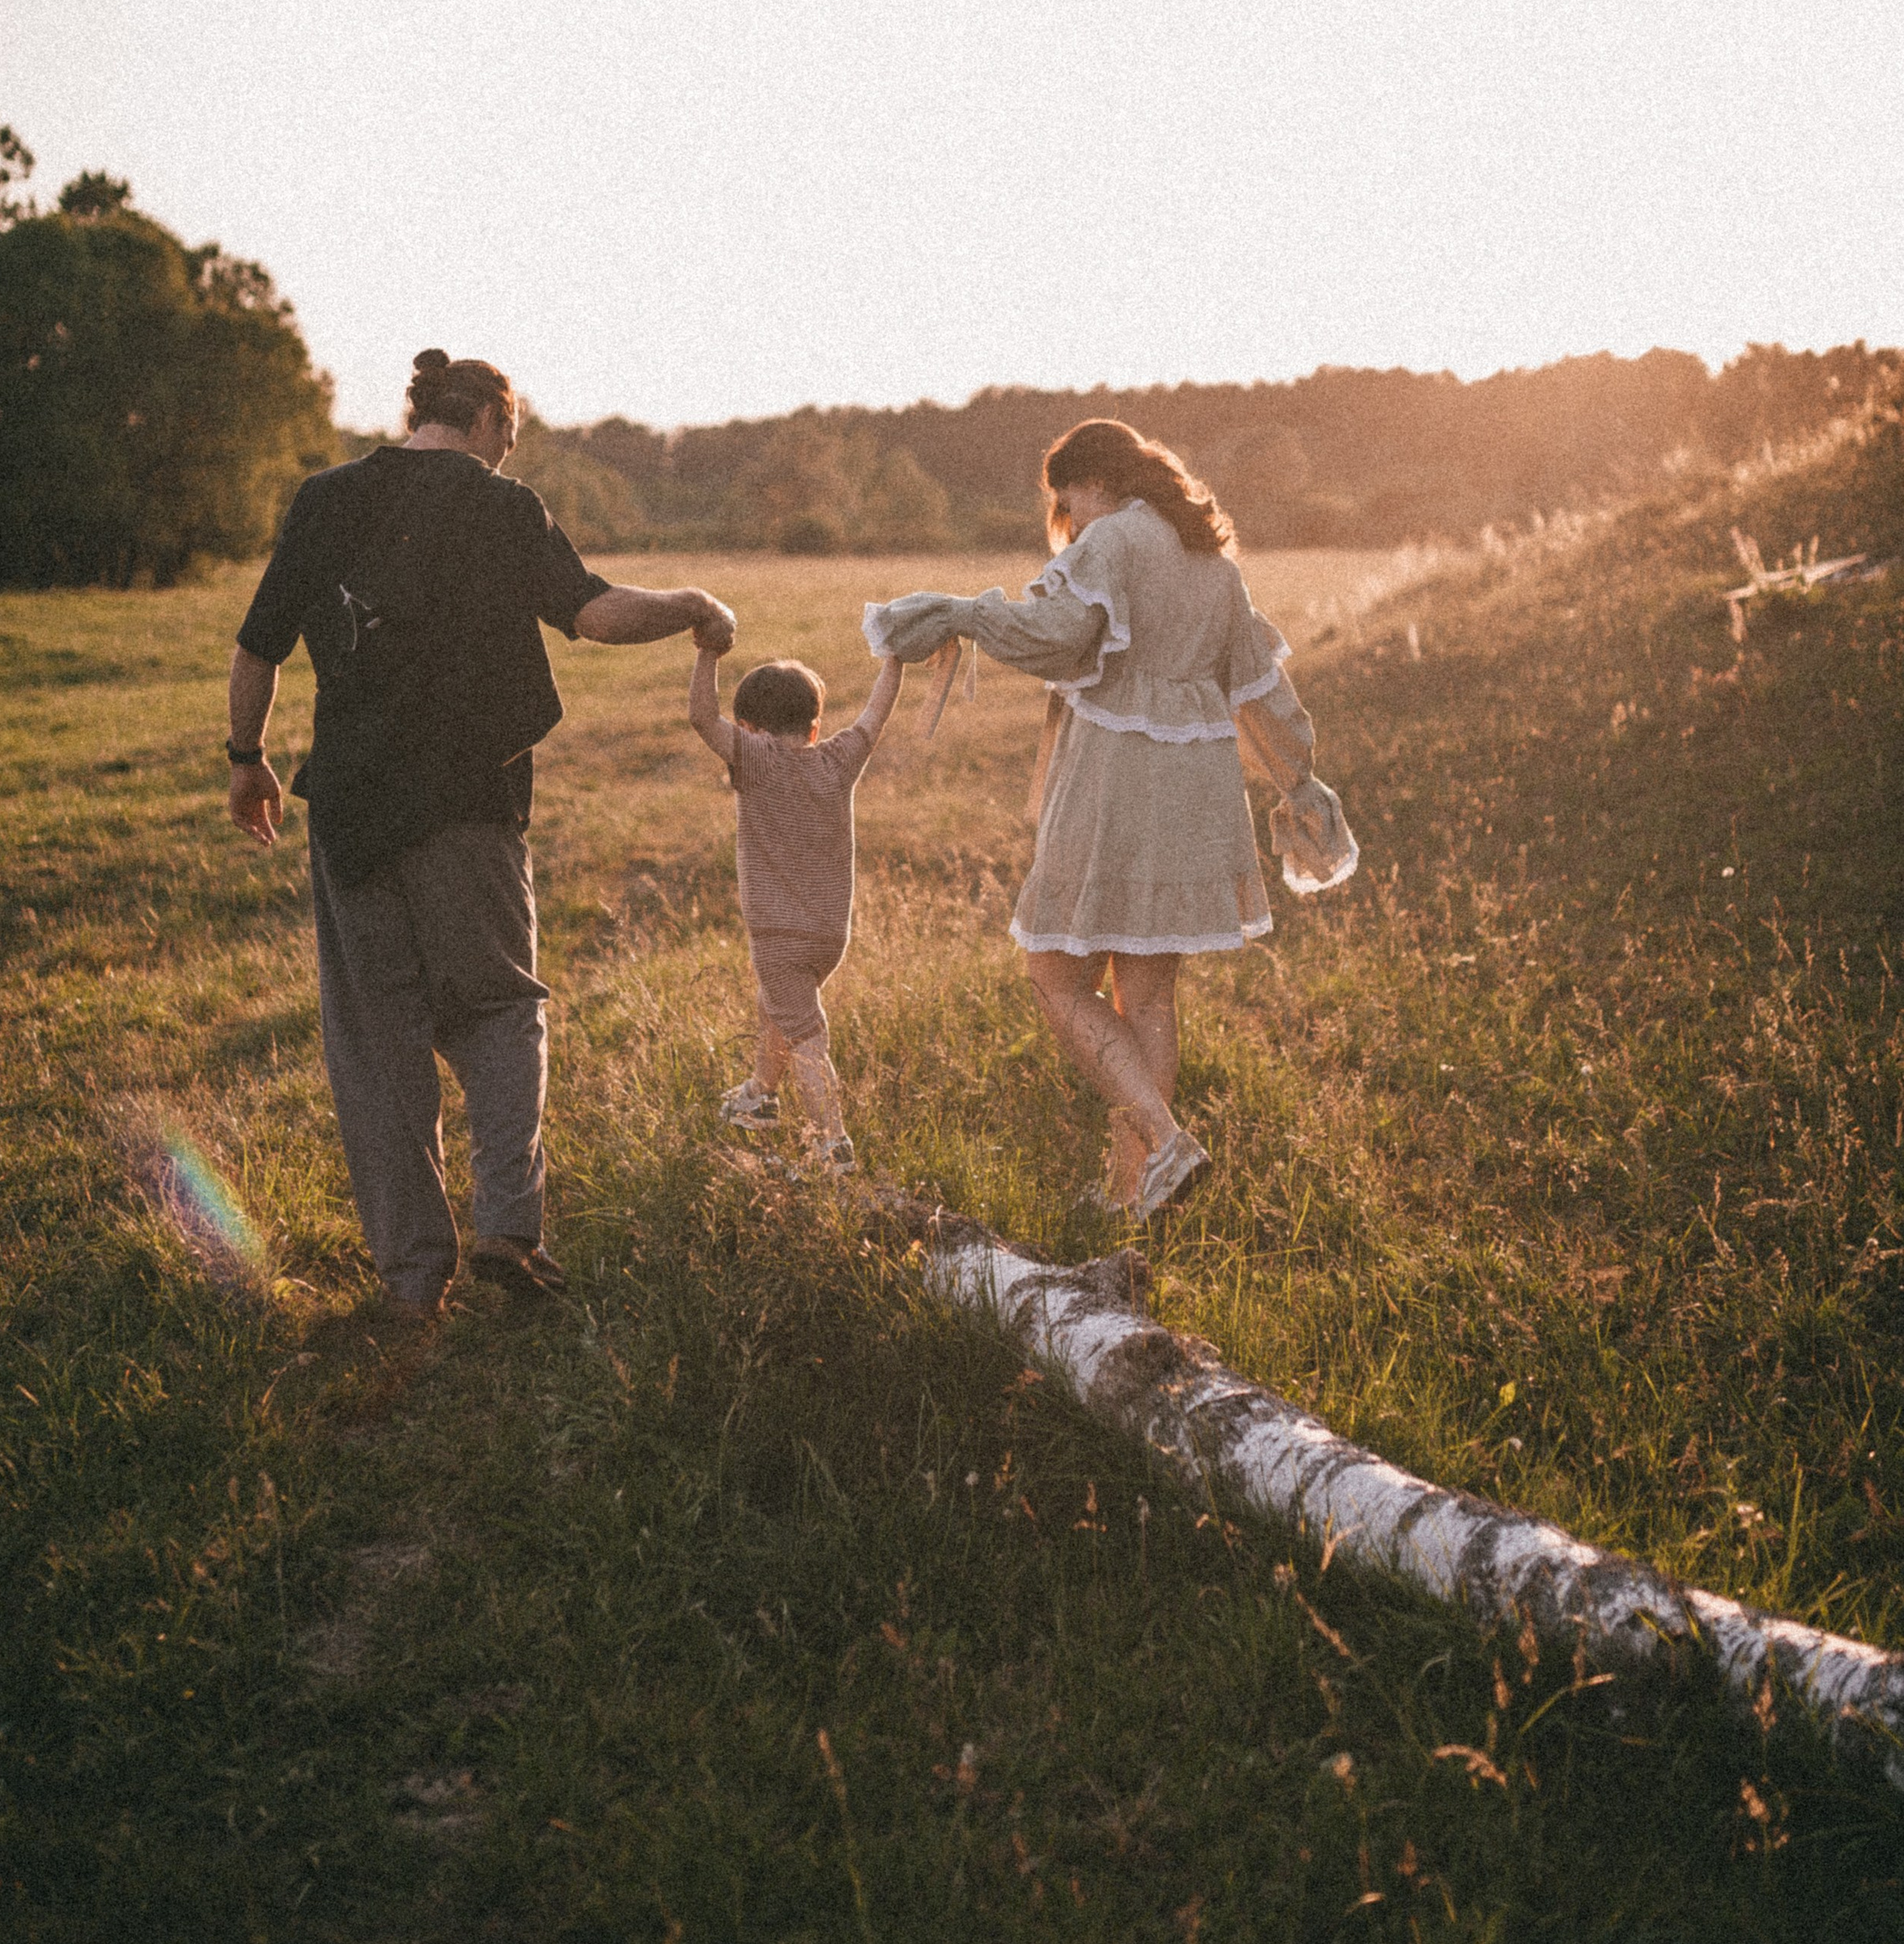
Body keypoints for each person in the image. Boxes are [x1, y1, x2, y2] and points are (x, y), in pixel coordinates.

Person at [226, 348, 736, 1320]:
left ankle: (413, 1282)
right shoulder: (504, 507)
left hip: (353, 811)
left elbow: (260, 643)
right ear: (495, 423)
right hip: (472, 806)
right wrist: (696, 609)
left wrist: (245, 757)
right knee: (501, 1011)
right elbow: (594, 612)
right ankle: (508, 1224)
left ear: (420, 410)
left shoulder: (325, 498)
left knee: (379, 1045)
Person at [862, 418, 1356, 1221]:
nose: (1070, 520)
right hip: (1196, 786)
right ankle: (1135, 1197)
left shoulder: (1115, 540)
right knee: (1147, 1000)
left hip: (1119, 779)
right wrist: (1296, 776)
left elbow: (1055, 635)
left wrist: (964, 614)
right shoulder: (1210, 558)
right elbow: (1259, 690)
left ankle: (1163, 1142)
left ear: (1092, 482)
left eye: (1067, 501)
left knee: (1055, 976)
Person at [687, 645, 905, 1171]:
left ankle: (832, 1142)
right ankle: (761, 1094)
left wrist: (708, 652)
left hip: (778, 937)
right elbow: (874, 717)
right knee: (777, 1007)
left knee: (808, 1035)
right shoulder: (836, 760)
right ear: (813, 729)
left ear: (748, 727)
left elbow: (699, 716)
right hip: (830, 935)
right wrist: (895, 659)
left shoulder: (754, 757)